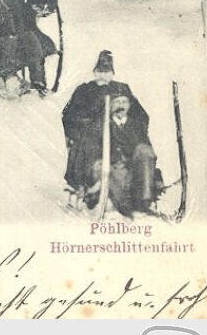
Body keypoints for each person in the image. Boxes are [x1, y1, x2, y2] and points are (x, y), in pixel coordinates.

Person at [62, 50, 161, 216]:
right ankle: (95, 192)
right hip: (95, 140)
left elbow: (141, 115)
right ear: (94, 72)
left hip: (123, 138)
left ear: (113, 73)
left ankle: (143, 198)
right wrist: (88, 126)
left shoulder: (122, 89)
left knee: (143, 152)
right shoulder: (84, 90)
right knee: (95, 157)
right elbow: (69, 116)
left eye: (107, 72)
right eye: (100, 71)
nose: (103, 76)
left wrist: (128, 125)